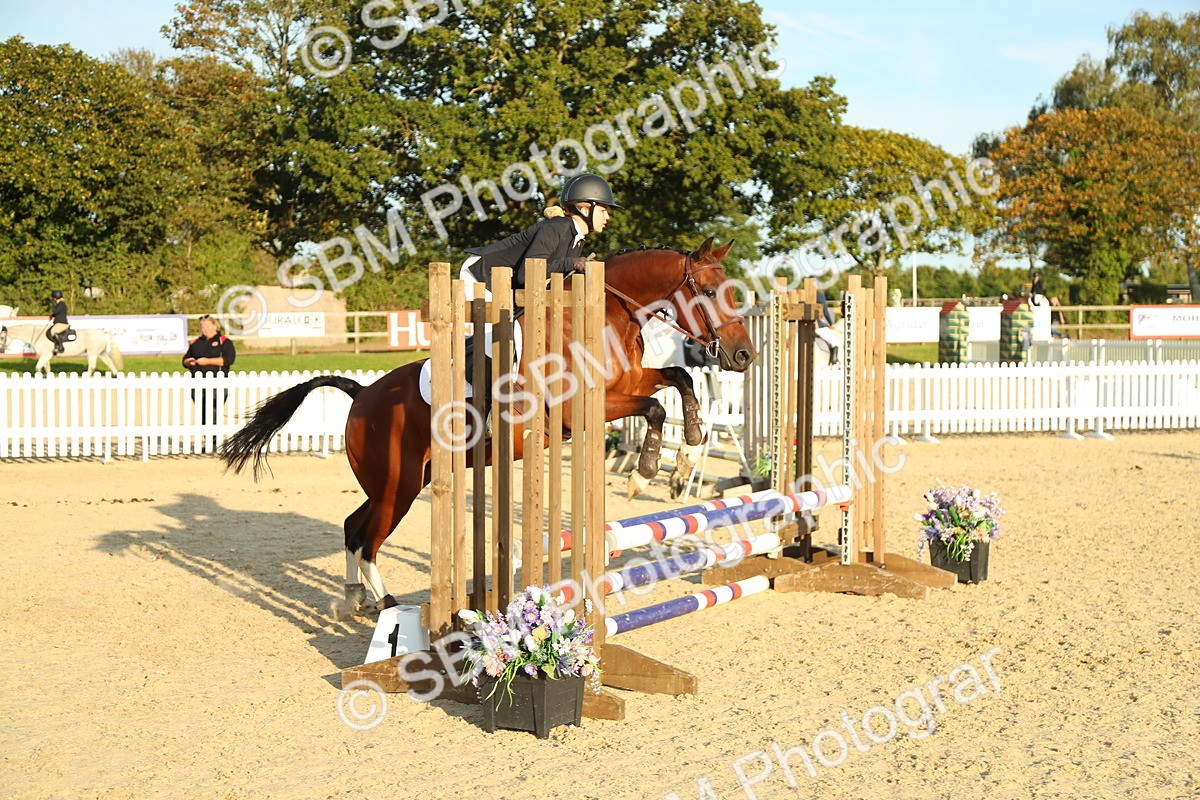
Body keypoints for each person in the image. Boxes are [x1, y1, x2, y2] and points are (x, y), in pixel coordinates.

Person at [459, 172, 618, 301]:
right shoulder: (556, 228)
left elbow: (553, 274)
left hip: (505, 284)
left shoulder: (577, 238)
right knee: (497, 334)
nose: (607, 217)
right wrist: (571, 263)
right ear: (585, 210)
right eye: (603, 211)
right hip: (480, 274)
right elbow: (527, 275)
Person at [183, 315, 236, 447]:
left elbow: (228, 360)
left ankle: (214, 440)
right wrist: (189, 362)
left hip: (217, 382)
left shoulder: (224, 342)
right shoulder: (196, 342)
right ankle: (209, 440)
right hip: (198, 383)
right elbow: (184, 360)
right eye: (202, 327)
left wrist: (207, 361)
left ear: (214, 326)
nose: (204, 329)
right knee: (202, 412)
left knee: (213, 411)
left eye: (207, 326)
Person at [47, 290, 69, 355]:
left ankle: (60, 347)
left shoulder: (61, 304)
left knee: (53, 331)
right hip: (59, 323)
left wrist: (53, 305)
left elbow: (55, 311)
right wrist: (52, 316)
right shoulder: (60, 304)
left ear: (55, 298)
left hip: (62, 324)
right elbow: (58, 313)